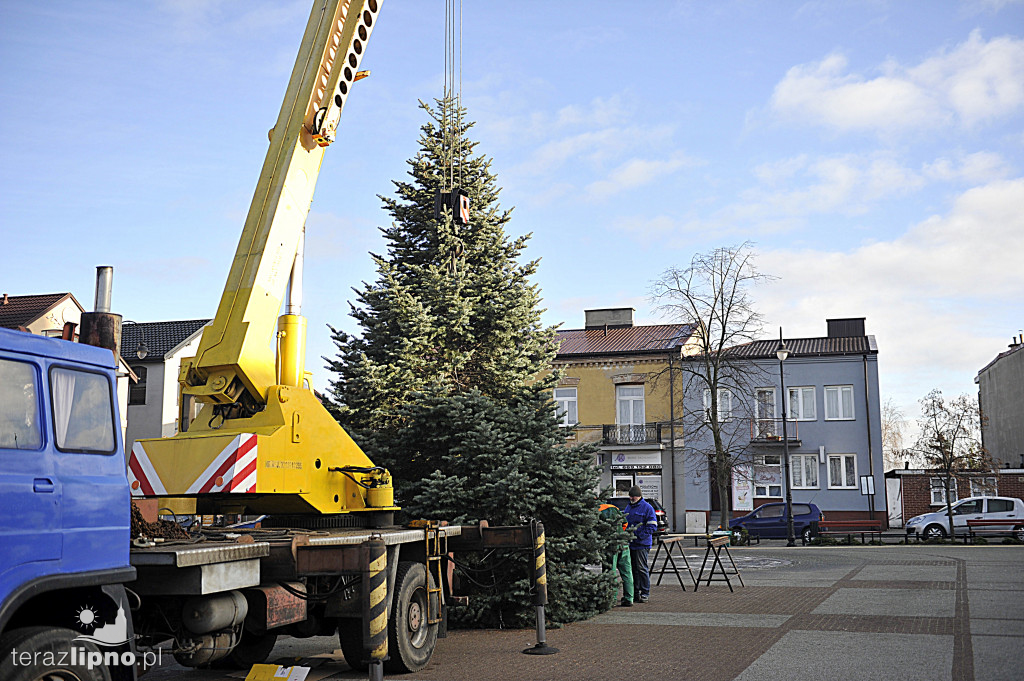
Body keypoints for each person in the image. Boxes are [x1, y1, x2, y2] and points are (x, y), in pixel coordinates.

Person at [623, 485, 658, 603]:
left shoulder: (647, 508)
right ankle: (636, 592)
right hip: (631, 544)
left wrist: (639, 536)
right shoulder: (628, 507)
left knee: (641, 568)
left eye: (634, 497)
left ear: (639, 496)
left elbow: (652, 526)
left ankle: (645, 593)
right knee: (633, 569)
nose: (632, 498)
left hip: (642, 544)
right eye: (631, 496)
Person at [598, 502, 634, 607]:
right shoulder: (613, 507)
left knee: (610, 571)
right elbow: (625, 523)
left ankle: (611, 599)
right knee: (627, 571)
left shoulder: (596, 512)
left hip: (610, 545)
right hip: (623, 542)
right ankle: (629, 598)